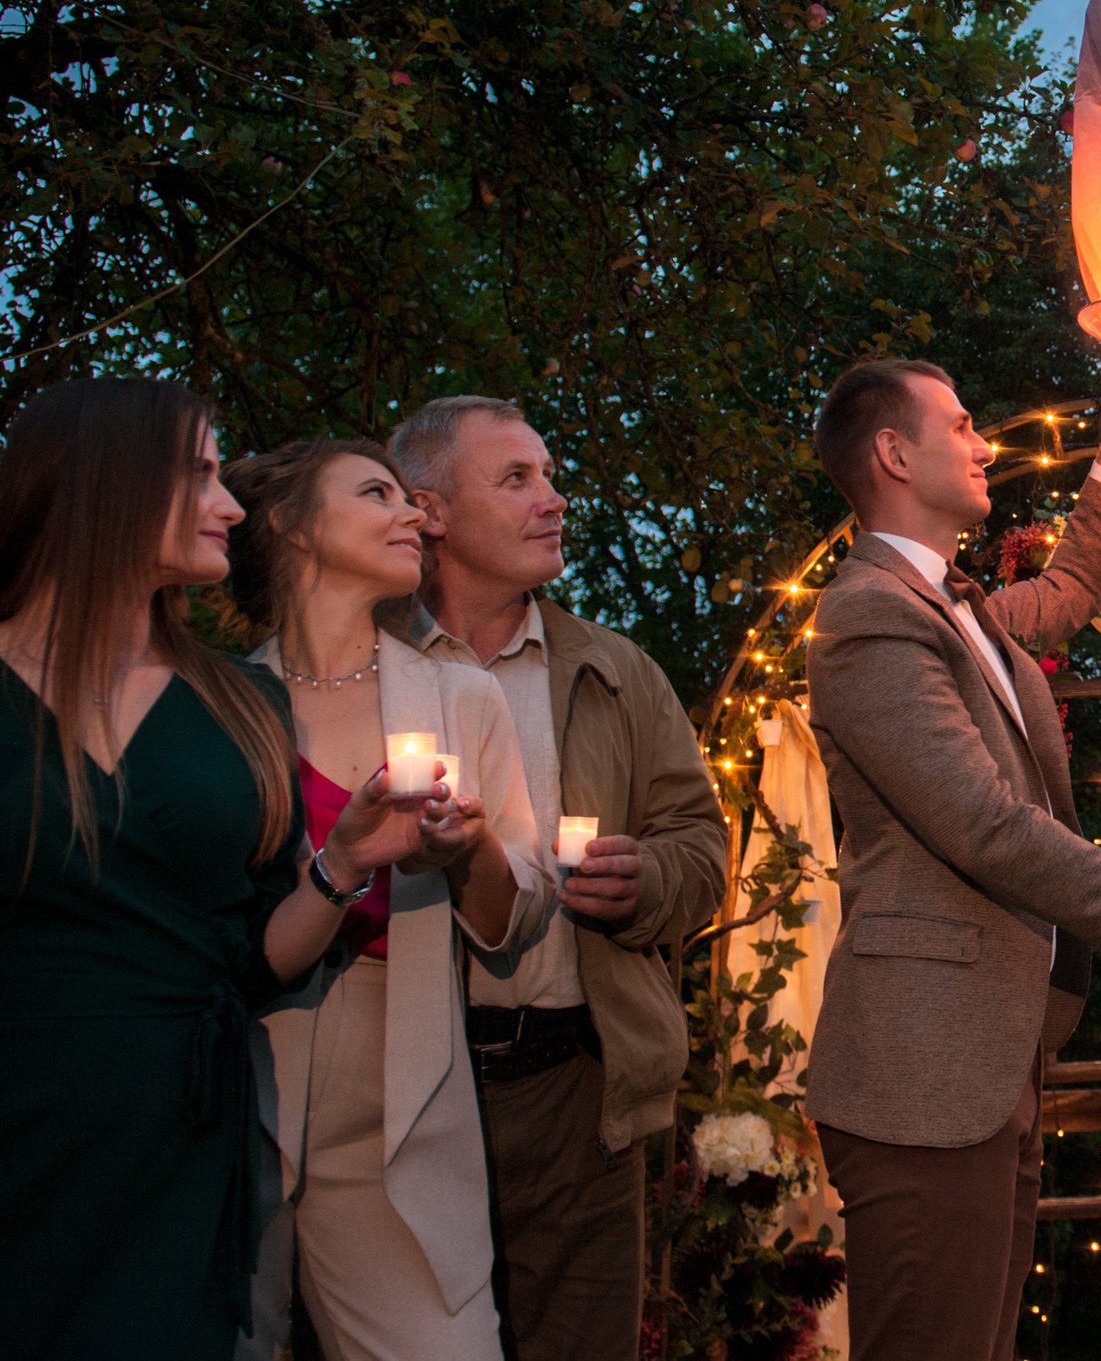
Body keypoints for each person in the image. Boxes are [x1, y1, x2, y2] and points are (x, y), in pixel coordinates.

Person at [801, 350, 1101, 1361]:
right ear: (895, 453)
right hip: (920, 1078)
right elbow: (985, 826)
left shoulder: (964, 609)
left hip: (997, 1063)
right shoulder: (869, 617)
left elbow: (1071, 586)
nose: (984, 444)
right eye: (961, 426)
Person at [0, 381, 419, 1359]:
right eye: (198, 471)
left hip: (176, 1136)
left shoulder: (244, 703)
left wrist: (345, 859)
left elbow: (258, 956)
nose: (229, 501)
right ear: (100, 480)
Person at [387, 396, 729, 1361]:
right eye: (518, 479)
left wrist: (649, 879)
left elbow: (703, 849)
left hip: (583, 1098)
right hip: (408, 1091)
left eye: (551, 475)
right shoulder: (364, 672)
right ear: (431, 513)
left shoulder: (615, 671)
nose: (556, 499)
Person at [225, 438, 555, 1361]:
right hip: (234, 1095)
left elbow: (514, 917)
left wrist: (471, 848)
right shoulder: (217, 704)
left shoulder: (462, 698)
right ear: (292, 526)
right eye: (379, 494)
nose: (414, 515)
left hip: (401, 1109)